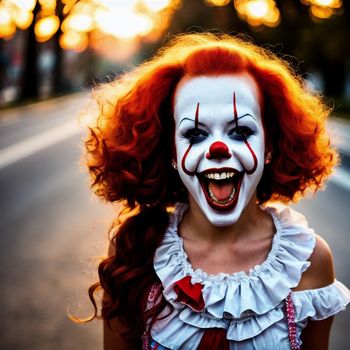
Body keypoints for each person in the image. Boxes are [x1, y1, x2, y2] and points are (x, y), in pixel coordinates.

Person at [83, 33, 350, 349]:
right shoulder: (134, 250)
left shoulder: (309, 261)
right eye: (195, 134)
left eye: (240, 131)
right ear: (170, 152)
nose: (218, 149)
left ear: (269, 146)